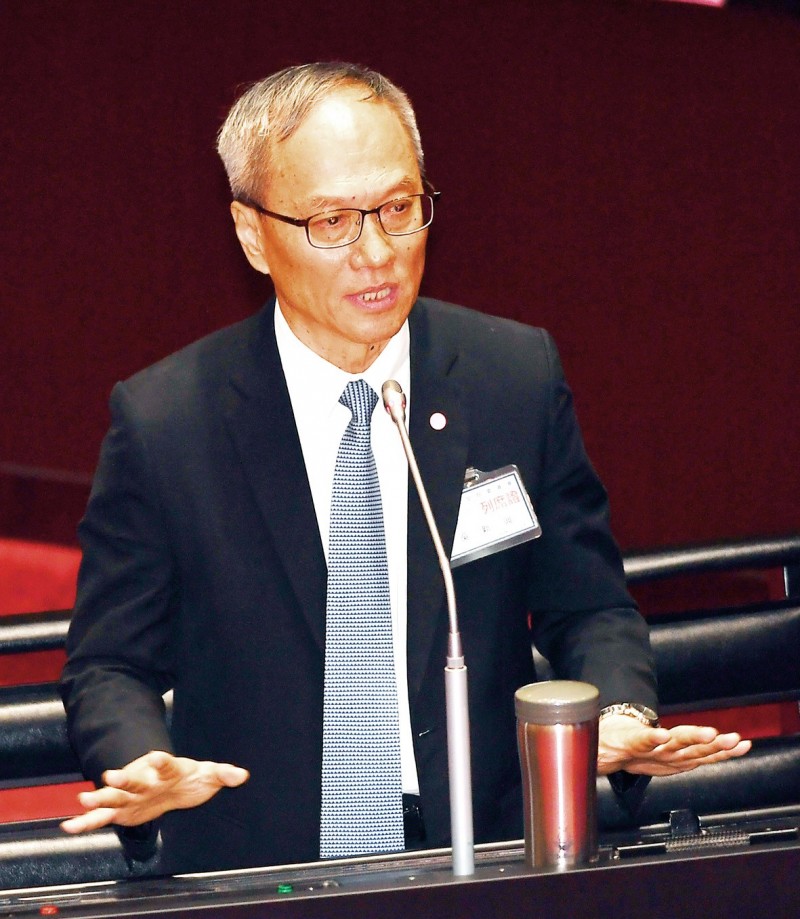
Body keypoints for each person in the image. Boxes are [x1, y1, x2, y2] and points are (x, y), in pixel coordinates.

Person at [59, 62, 750, 874]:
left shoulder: (510, 377)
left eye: (397, 208)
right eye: (331, 222)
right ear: (252, 234)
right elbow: (110, 663)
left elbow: (588, 605)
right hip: (261, 867)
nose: (377, 252)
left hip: (487, 851)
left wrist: (619, 710)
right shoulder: (167, 422)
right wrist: (141, 759)